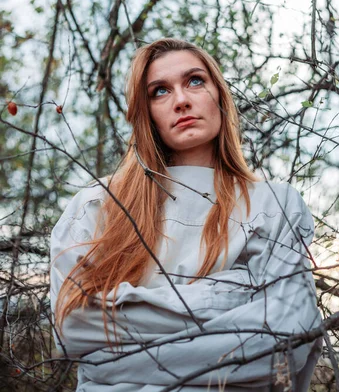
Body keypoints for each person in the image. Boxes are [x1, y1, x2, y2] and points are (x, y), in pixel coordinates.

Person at [50, 38, 322, 392]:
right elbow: (74, 329)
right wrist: (233, 294)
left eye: (195, 80)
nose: (181, 100)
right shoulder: (99, 204)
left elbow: (283, 344)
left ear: (219, 96)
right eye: (160, 91)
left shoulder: (275, 205)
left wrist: (122, 354)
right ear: (145, 112)